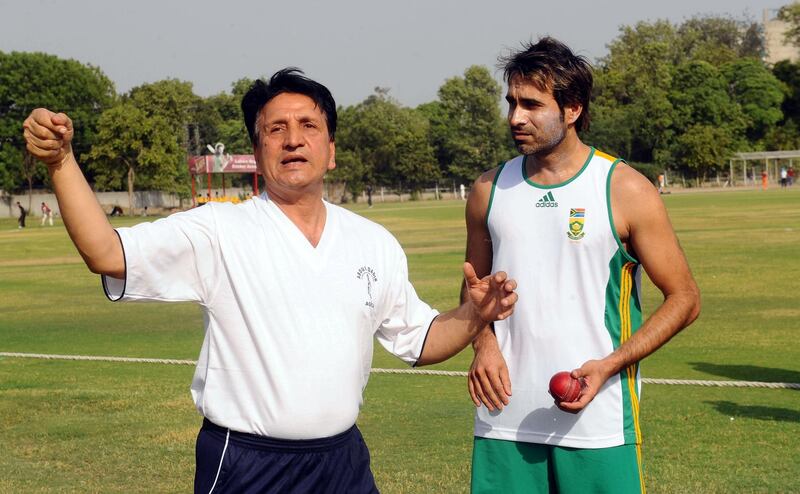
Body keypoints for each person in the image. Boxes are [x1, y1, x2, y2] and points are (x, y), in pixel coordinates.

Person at [23, 68, 518, 494]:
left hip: (343, 462)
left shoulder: (373, 241)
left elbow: (421, 339)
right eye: (275, 128)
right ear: (258, 151)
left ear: (331, 151)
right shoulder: (218, 230)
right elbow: (107, 253)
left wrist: (474, 316)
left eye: (309, 125)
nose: (293, 138)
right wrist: (61, 163)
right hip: (247, 464)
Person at [464, 38, 700, 494]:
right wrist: (482, 344)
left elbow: (685, 299)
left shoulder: (623, 188)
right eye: (511, 102)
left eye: (531, 104)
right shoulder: (488, 189)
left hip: (599, 421)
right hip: (502, 419)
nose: (515, 117)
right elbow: (474, 293)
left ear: (572, 109)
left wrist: (610, 365)